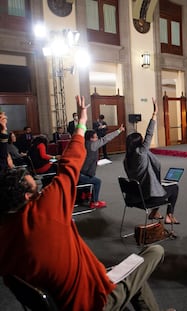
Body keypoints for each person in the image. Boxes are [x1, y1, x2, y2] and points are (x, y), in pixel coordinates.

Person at [0, 95, 171, 311]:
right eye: (35, 186)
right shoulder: (45, 210)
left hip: (62, 302)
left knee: (132, 275)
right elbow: (70, 162)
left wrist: (3, 135)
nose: (40, 188)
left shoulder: (4, 239)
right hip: (94, 300)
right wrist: (82, 120)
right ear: (27, 197)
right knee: (154, 251)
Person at [124, 98, 180, 225]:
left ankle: (155, 212)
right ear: (139, 144)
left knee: (159, 187)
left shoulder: (126, 159)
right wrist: (154, 114)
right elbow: (149, 134)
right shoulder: (141, 153)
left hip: (135, 197)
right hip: (147, 198)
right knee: (174, 188)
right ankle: (169, 216)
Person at [79, 124, 125, 208]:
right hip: (83, 174)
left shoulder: (82, 144)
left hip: (79, 172)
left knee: (90, 178)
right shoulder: (92, 145)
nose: (97, 139)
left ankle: (85, 196)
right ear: (91, 139)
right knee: (97, 181)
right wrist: (118, 131)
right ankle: (94, 202)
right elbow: (105, 139)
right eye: (95, 137)